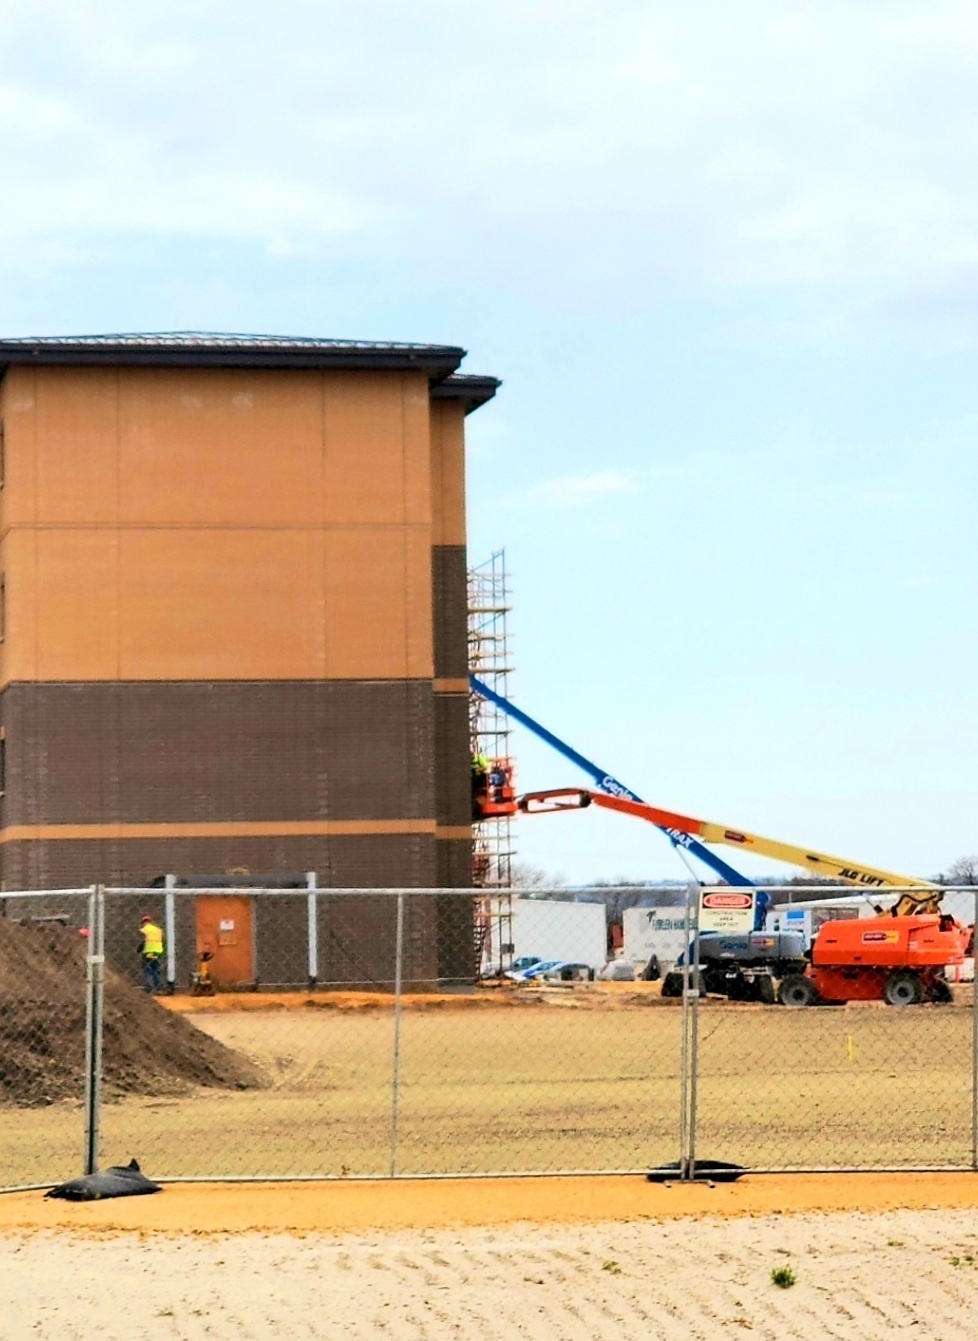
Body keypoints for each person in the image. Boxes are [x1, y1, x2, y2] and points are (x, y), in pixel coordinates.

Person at [138, 914, 165, 994]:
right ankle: (160, 987)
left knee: (148, 970)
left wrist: (139, 949)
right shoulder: (158, 930)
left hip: (148, 952)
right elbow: (162, 941)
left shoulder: (143, 930)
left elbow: (143, 941)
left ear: (143, 922)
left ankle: (149, 988)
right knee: (156, 969)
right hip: (158, 952)